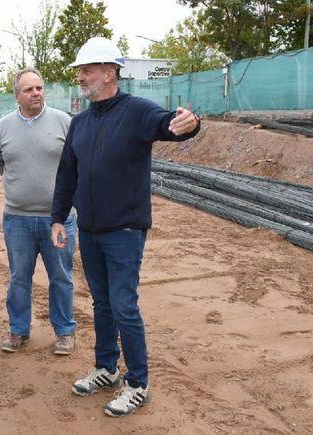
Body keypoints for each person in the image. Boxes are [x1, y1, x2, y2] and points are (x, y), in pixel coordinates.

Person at [50, 36, 201, 417]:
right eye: (80, 72)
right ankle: (106, 368)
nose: (81, 78)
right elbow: (67, 174)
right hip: (91, 230)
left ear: (109, 72)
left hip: (125, 231)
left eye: (86, 70)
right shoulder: (80, 123)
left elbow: (169, 124)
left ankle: (138, 383)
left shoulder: (136, 111)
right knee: (101, 303)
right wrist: (57, 217)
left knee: (124, 305)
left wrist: (190, 123)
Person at [0, 67, 77, 355]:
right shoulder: (2, 127)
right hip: (18, 220)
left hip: (59, 221)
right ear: (17, 95)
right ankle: (18, 330)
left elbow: (75, 164)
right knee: (18, 278)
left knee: (61, 277)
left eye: (39, 88)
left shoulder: (64, 123)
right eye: (29, 89)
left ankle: (64, 333)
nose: (36, 93)